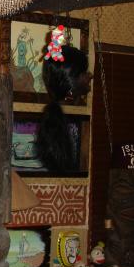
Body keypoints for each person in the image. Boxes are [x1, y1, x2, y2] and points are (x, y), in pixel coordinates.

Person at [36, 40, 92, 173]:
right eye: (84, 72)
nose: (90, 75)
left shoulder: (78, 115)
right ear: (70, 80)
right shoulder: (74, 121)